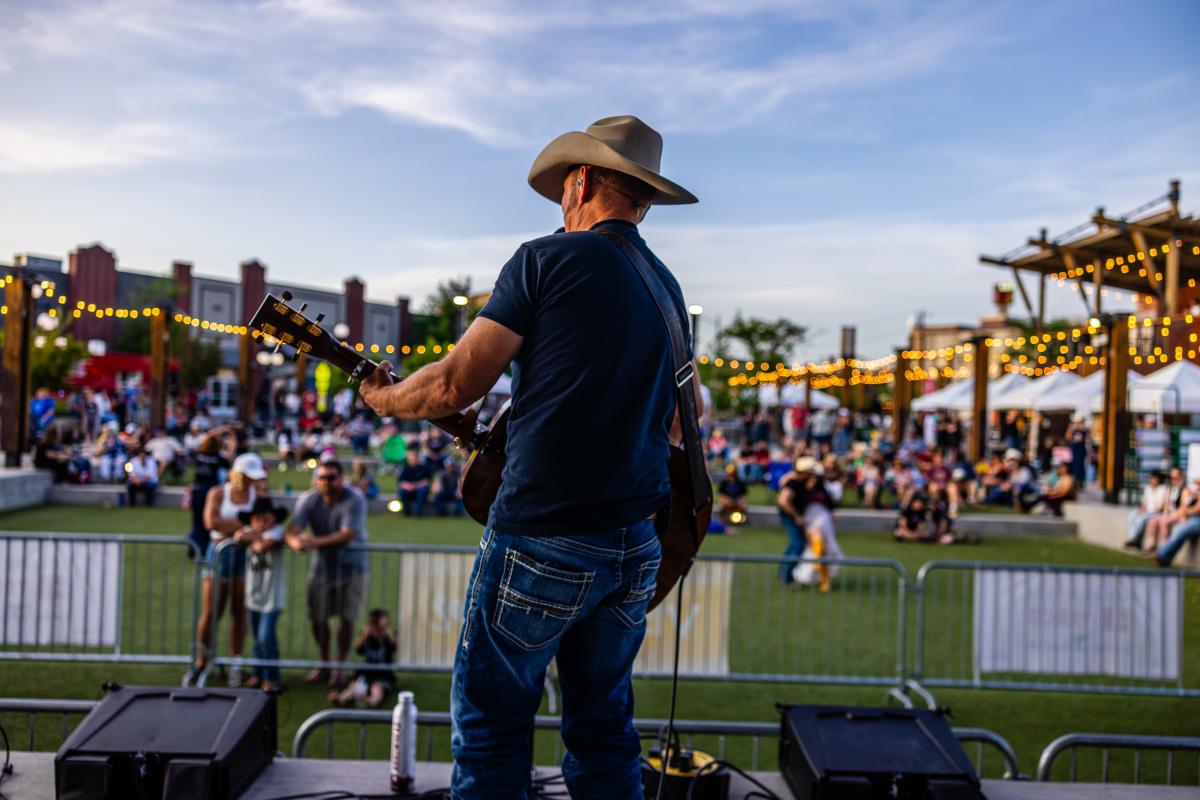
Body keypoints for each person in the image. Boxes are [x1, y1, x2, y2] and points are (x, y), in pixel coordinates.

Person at [357, 115, 698, 799]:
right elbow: (681, 428)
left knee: (491, 727)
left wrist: (382, 399)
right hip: (635, 541)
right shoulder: (666, 289)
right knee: (603, 728)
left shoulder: (546, 258)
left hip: (543, 533)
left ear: (580, 182)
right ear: (643, 200)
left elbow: (457, 382)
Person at [183, 451, 267, 688]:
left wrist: (242, 529)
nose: (252, 480)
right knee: (212, 611)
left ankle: (235, 662)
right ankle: (202, 660)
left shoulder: (256, 494)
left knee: (239, 611)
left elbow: (261, 523)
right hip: (220, 553)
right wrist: (242, 529)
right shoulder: (219, 492)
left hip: (242, 555)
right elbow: (211, 522)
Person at [286, 459, 369, 686]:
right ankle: (324, 663)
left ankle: (339, 666)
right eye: (322, 477)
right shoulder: (308, 499)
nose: (326, 482)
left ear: (341, 478)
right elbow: (293, 530)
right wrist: (295, 543)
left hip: (353, 567)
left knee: (347, 618)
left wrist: (312, 541)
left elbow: (348, 533)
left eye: (331, 477)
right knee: (317, 617)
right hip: (321, 568)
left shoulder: (354, 499)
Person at [235, 497, 289, 691]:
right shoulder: (253, 532)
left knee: (266, 636)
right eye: (258, 519)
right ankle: (257, 673)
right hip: (254, 595)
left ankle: (272, 676)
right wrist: (253, 535)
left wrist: (254, 536)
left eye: (266, 518)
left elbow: (260, 546)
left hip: (271, 597)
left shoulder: (277, 531)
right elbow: (239, 536)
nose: (262, 523)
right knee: (257, 638)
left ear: (274, 518)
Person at [328, 608, 397, 709]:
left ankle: (372, 701)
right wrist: (364, 636)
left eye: (384, 626)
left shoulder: (389, 636)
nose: (380, 631)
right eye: (377, 627)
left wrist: (388, 633)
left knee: (377, 687)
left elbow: (394, 646)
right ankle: (342, 698)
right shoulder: (367, 636)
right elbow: (358, 649)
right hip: (367, 671)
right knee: (354, 685)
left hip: (383, 673)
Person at [186, 426, 237, 558]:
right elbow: (231, 455)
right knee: (208, 521)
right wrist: (231, 434)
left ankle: (194, 549)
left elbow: (207, 435)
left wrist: (216, 431)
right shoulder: (217, 458)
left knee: (197, 522)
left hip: (197, 491)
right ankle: (205, 551)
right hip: (210, 491)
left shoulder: (199, 454)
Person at [1137, 468, 1187, 551]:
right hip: (1170, 513)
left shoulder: (1184, 489)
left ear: (1181, 477)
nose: (1173, 480)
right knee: (1153, 521)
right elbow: (1166, 503)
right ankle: (1152, 544)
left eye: (1175, 478)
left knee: (1163, 521)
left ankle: (1166, 546)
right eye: (1171, 478)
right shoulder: (1171, 488)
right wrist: (1165, 512)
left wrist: (1173, 514)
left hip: (1178, 514)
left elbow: (1183, 506)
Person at [1155, 476, 1200, 567]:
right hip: (1192, 519)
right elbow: (1185, 507)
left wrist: (1186, 511)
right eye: (1197, 483)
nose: (1197, 486)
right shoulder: (1193, 493)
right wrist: (1185, 510)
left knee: (1180, 531)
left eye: (1198, 483)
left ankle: (1162, 554)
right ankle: (1166, 558)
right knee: (1178, 530)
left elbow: (1196, 510)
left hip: (1196, 521)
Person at [395, 446, 432, 516]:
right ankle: (407, 511)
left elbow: (427, 481)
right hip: (409, 489)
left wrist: (415, 486)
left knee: (423, 490)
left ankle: (417, 511)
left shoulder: (424, 468)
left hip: (419, 489)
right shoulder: (405, 468)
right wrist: (407, 486)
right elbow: (401, 481)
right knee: (402, 491)